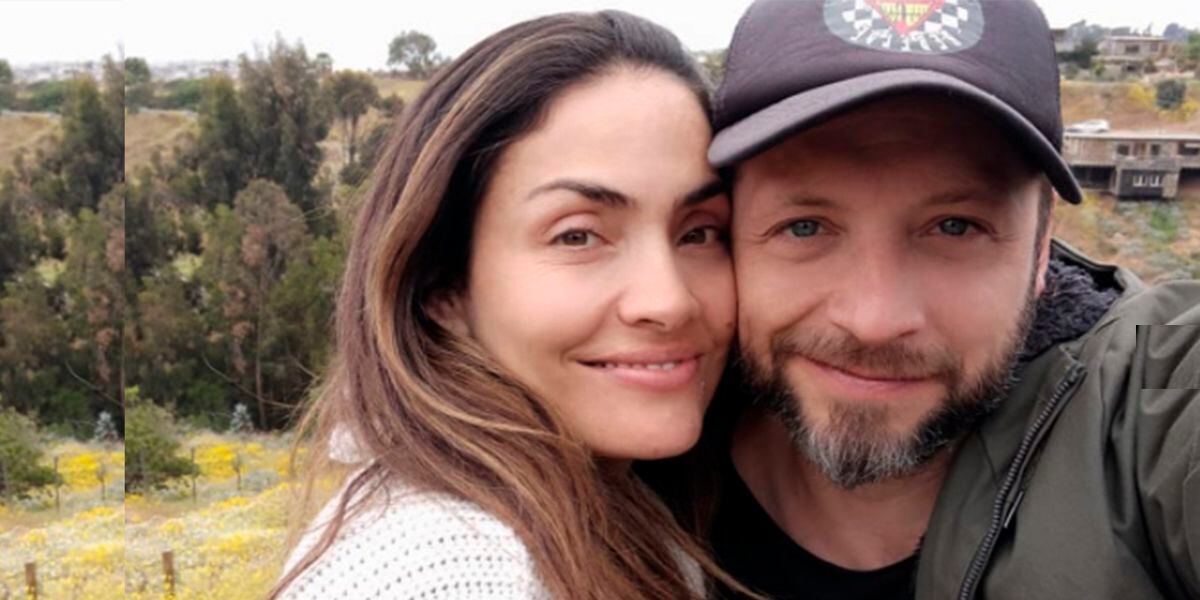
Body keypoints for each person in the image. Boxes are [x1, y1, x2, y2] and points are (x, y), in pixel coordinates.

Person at [696, 0, 1200, 598]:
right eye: (804, 227)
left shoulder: (1155, 396)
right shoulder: (639, 450)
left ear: (1042, 247)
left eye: (955, 227)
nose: (875, 321)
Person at [269, 10, 755, 600]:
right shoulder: (447, 571)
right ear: (443, 286)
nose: (669, 300)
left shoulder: (625, 507)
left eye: (699, 232)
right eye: (577, 236)